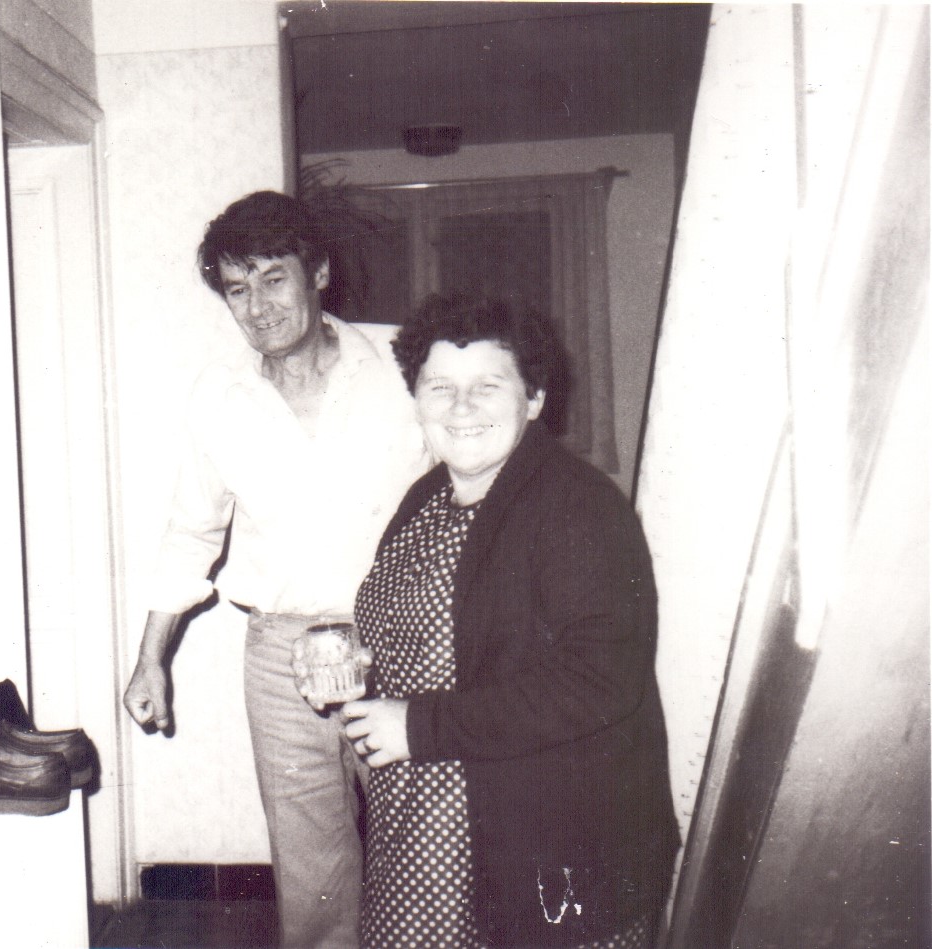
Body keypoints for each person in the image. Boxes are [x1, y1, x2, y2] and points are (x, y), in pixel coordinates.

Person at [122, 190, 430, 949]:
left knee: (422, 838)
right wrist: (150, 658)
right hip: (281, 650)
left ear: (317, 272)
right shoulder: (219, 395)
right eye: (237, 288)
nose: (256, 306)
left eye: (272, 278)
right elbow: (191, 530)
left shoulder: (403, 362)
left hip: (403, 638)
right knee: (309, 858)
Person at [337, 292, 679, 948]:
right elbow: (435, 639)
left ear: (535, 398)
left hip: (538, 837)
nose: (461, 407)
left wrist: (419, 726)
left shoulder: (579, 507)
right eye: (440, 386)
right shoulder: (426, 497)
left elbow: (600, 681)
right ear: (417, 398)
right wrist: (351, 657)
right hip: (417, 823)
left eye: (487, 386)